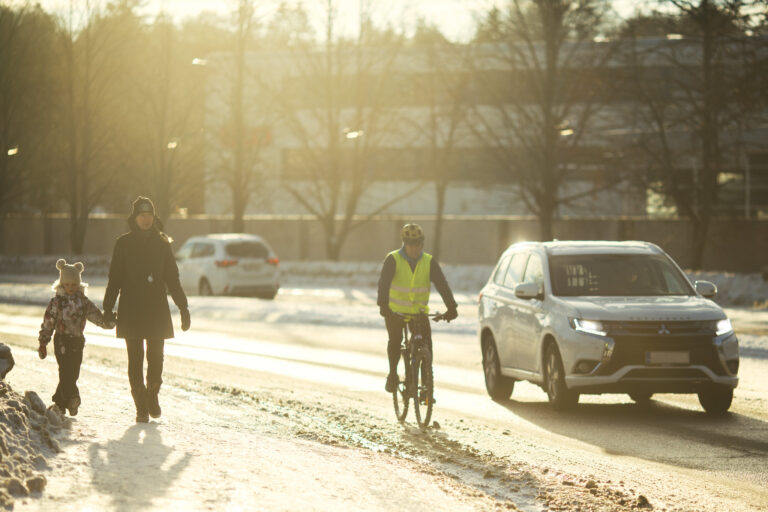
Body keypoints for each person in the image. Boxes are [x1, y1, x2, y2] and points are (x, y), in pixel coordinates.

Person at [103, 196, 190, 423]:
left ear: (154, 217)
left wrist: (183, 307)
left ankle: (152, 394)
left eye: (149, 215)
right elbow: (115, 279)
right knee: (135, 359)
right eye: (142, 215)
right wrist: (107, 307)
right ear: (135, 218)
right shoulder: (123, 243)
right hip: (131, 308)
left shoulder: (162, 243)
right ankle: (141, 406)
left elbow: (172, 278)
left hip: (156, 309)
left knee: (156, 359)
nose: (146, 219)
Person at [377, 223, 458, 398]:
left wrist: (451, 306)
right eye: (411, 244)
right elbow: (383, 283)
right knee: (395, 340)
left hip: (419, 312)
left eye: (418, 244)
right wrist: (383, 305)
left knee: (426, 344)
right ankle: (392, 374)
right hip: (395, 311)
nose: (415, 248)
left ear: (422, 244)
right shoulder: (393, 259)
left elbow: (442, 284)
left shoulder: (428, 262)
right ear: (404, 244)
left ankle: (426, 386)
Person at [38, 259, 113, 416]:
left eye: (73, 285)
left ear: (78, 284)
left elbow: (96, 316)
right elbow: (48, 322)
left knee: (74, 372)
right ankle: (68, 400)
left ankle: (65, 401)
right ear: (62, 284)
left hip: (77, 341)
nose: (71, 288)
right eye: (67, 285)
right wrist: (43, 342)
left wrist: (109, 323)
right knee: (65, 371)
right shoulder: (57, 302)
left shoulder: (83, 302)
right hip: (62, 341)